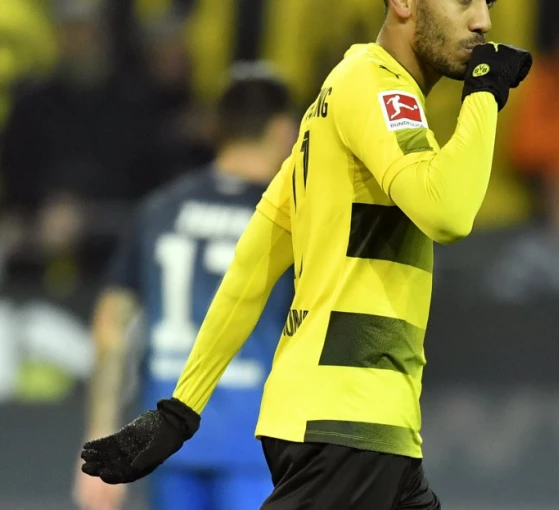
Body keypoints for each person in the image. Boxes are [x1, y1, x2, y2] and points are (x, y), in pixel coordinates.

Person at [79, 1, 532, 508]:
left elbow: (254, 263)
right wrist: (485, 95)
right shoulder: (375, 86)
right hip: (345, 425)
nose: (483, 21)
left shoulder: (336, 104)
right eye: (464, 0)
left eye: (487, 4)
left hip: (366, 430)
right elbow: (447, 213)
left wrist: (181, 410)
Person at [73, 66, 296, 510]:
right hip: (255, 442)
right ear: (282, 130)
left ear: (217, 128)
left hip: (168, 440)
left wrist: (100, 432)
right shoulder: (290, 217)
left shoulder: (160, 209)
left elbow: (110, 324)